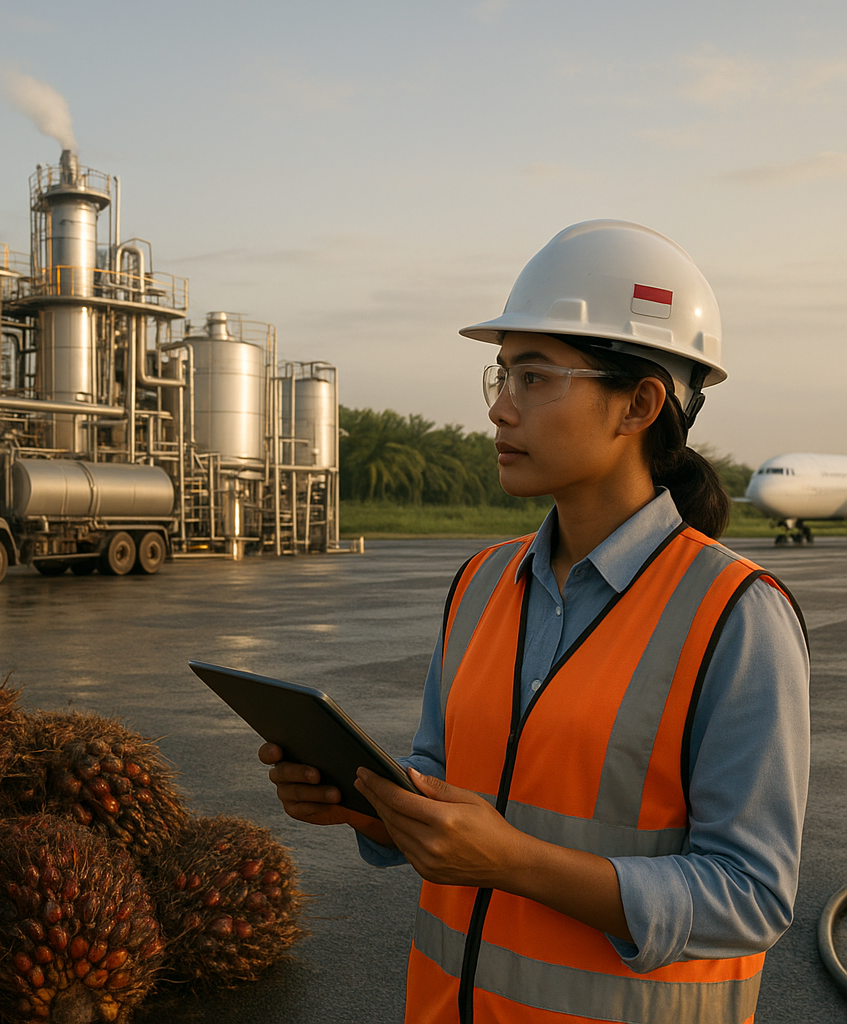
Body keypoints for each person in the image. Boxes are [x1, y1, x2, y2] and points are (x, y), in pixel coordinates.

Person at [260, 220, 810, 1024]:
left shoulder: (735, 613)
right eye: (501, 374)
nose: (499, 411)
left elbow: (751, 896)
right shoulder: (481, 583)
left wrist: (514, 863)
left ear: (640, 403)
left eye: (535, 377)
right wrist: (368, 803)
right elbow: (445, 774)